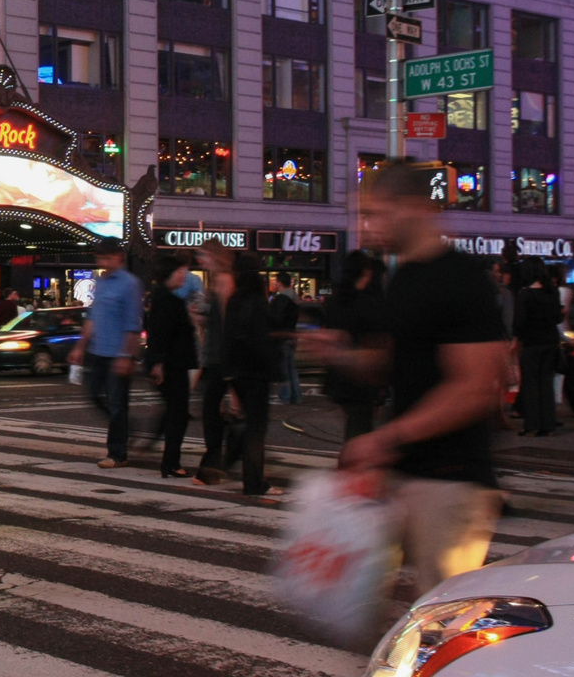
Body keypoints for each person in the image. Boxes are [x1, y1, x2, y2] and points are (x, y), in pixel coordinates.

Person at [308, 160, 508, 593]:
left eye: (375, 213)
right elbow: (392, 363)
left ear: (414, 207)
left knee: (441, 618)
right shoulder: (403, 279)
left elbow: (474, 388)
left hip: (452, 480)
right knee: (354, 600)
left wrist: (386, 438)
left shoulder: (461, 278)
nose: (367, 225)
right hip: (403, 473)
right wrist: (341, 355)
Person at [68, 240, 143, 469]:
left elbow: (133, 323)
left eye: (107, 258)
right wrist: (80, 346)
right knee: (94, 395)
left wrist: (126, 355)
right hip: (97, 350)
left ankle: (117, 453)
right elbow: (92, 316)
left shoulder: (130, 284)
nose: (103, 262)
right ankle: (126, 427)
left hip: (117, 352)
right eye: (100, 258)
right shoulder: (99, 282)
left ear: (119, 257)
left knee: (117, 402)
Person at [215, 254, 279, 497]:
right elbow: (263, 336)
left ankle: (239, 468)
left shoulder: (234, 300)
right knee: (256, 429)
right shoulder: (258, 301)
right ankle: (254, 481)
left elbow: (228, 337)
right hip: (257, 371)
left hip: (238, 371)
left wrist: (229, 373)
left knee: (249, 425)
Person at [320, 251, 388, 441]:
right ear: (365, 273)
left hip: (338, 378)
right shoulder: (369, 305)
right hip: (360, 380)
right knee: (358, 433)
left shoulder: (335, 303)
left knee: (353, 430)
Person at [144, 253, 198, 478]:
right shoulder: (167, 300)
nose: (183, 275)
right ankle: (171, 463)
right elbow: (160, 333)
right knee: (178, 413)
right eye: (179, 272)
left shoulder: (164, 297)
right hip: (173, 364)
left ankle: (169, 460)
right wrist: (158, 363)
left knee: (175, 412)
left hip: (172, 362)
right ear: (169, 275)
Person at [192, 241, 235, 486]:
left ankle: (212, 467)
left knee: (214, 413)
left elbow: (229, 322)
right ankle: (217, 465)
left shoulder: (225, 280)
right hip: (213, 356)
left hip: (222, 357)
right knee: (214, 413)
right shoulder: (215, 282)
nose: (201, 261)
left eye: (203, 256)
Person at [512, 256, 561, 437]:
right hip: (550, 341)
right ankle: (547, 424)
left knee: (531, 384)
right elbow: (557, 317)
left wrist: (516, 340)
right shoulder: (552, 292)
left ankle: (531, 423)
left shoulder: (525, 294)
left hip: (531, 343)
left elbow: (519, 323)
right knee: (546, 383)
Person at [267, 272, 302, 405]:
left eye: (275, 281)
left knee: (283, 369)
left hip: (282, 336)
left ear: (280, 283)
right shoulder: (293, 298)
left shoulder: (281, 299)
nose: (274, 284)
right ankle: (296, 396)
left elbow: (277, 319)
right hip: (291, 334)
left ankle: (285, 396)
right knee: (291, 368)